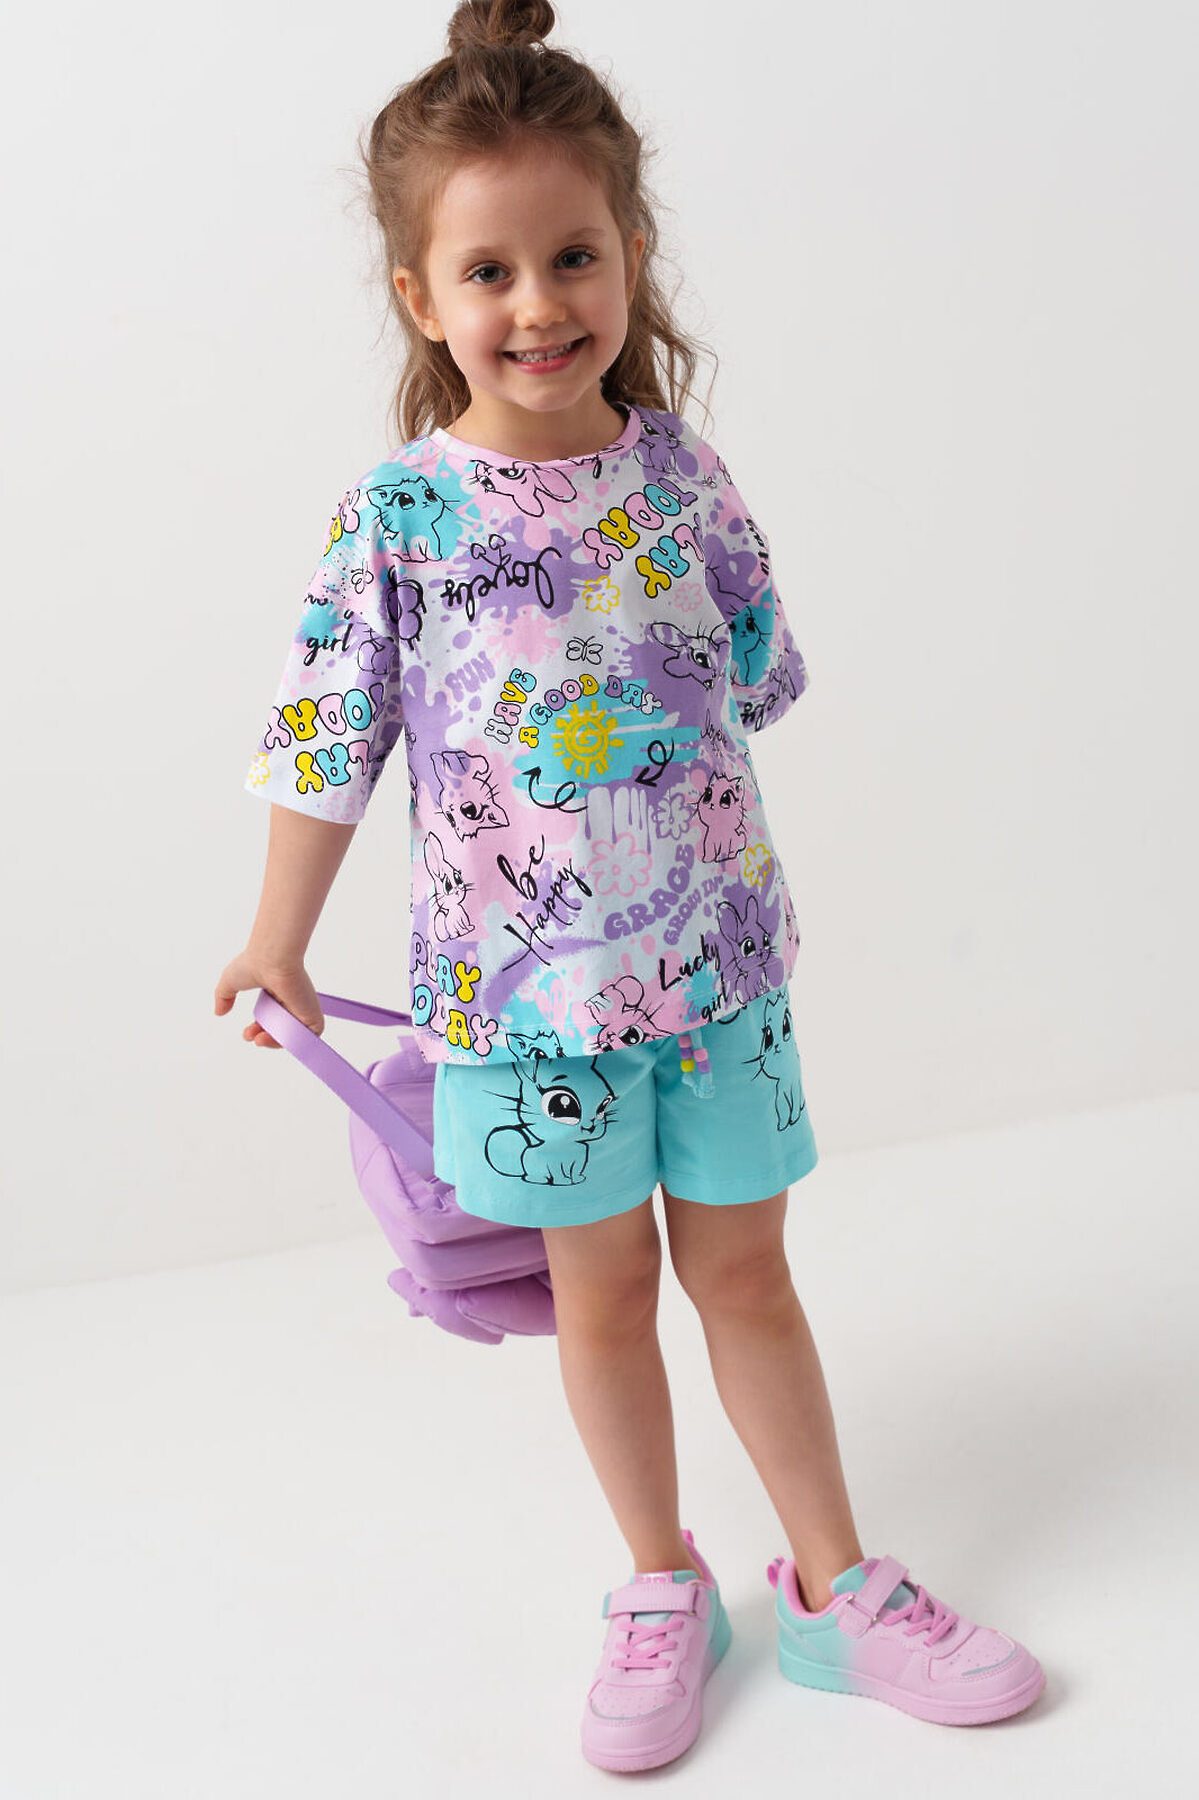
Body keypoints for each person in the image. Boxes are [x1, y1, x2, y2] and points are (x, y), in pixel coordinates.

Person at [214, 0, 1045, 1771]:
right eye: (489, 271)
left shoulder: (682, 475)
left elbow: (756, 668)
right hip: (524, 1015)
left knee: (748, 1273)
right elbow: (325, 735)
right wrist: (277, 938)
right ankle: (660, 1582)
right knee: (600, 1295)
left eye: (572, 255)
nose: (539, 304)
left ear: (631, 251)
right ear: (422, 298)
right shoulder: (400, 519)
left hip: (720, 978)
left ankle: (836, 1588)